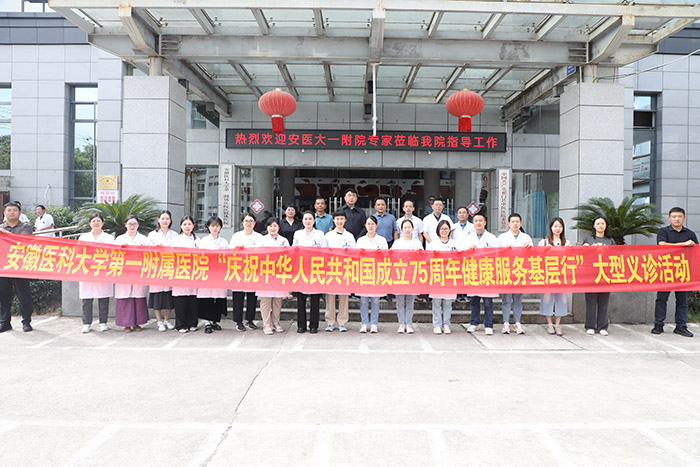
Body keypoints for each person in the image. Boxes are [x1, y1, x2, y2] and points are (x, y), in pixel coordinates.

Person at [652, 207, 698, 338]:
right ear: (669, 218)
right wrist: (683, 244)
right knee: (661, 299)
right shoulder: (663, 231)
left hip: (683, 271)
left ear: (684, 218)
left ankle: (681, 326)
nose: (677, 219)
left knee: (682, 300)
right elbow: (662, 245)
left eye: (679, 216)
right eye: (674, 216)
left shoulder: (690, 234)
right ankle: (658, 324)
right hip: (665, 270)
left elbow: (696, 251)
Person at [0, 202, 34, 333]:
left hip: (20, 267)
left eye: (15, 210)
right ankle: (5, 322)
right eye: (9, 210)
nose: (12, 212)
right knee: (3, 297)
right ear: (4, 213)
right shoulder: (1, 227)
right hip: (3, 267)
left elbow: (23, 241)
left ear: (19, 213)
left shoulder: (26, 227)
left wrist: (4, 233)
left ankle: (26, 322)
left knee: (24, 296)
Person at [114, 216, 152, 333]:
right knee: (125, 298)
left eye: (134, 224)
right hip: (124, 272)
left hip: (138, 271)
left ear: (138, 225)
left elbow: (150, 253)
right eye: (130, 224)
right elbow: (113, 254)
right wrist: (121, 248)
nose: (132, 226)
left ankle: (137, 323)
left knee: (138, 297)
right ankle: (126, 324)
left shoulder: (144, 239)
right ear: (125, 225)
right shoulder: (120, 239)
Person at [78, 213, 114, 333]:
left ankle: (103, 322)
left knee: (103, 298)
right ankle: (86, 323)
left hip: (103, 270)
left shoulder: (109, 238)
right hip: (87, 270)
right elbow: (79, 253)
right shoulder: (83, 237)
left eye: (98, 221)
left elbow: (113, 254)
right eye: (93, 221)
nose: (96, 223)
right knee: (86, 298)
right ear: (90, 224)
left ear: (102, 223)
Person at [464, 212, 499, 335]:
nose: (478, 223)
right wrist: (469, 249)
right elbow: (463, 254)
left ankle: (488, 325)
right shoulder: (468, 238)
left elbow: (496, 254)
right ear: (473, 223)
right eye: (476, 221)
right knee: (474, 300)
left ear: (485, 222)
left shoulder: (491, 237)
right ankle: (474, 323)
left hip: (487, 271)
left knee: (488, 301)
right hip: (473, 271)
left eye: (480, 220)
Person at [497, 213, 533, 335]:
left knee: (518, 299)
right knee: (506, 299)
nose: (515, 224)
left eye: (517, 221)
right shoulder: (502, 237)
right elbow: (496, 254)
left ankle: (517, 322)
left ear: (521, 223)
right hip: (507, 272)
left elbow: (533, 256)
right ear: (509, 223)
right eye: (513, 222)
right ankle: (506, 322)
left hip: (520, 272)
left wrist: (529, 248)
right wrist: (504, 249)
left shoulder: (526, 238)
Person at [293, 211, 328, 333]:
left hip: (315, 269)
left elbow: (324, 251)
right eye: (305, 219)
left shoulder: (319, 234)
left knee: (315, 299)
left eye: (310, 219)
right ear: (302, 221)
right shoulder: (298, 234)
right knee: (301, 299)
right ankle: (301, 325)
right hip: (301, 269)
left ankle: (314, 325)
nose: (307, 221)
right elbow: (294, 250)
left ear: (314, 221)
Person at [581, 216, 615, 336]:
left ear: (606, 226)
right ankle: (590, 326)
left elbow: (616, 256)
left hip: (605, 275)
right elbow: (582, 256)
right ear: (594, 226)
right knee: (590, 302)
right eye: (598, 223)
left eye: (602, 223)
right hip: (591, 275)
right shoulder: (588, 239)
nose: (600, 226)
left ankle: (602, 327)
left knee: (604, 302)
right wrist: (584, 248)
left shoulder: (610, 241)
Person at [230, 213, 264, 332]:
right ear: (242, 222)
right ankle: (238, 321)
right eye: (246, 221)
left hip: (253, 269)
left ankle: (250, 320)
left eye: (251, 221)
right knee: (238, 296)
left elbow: (262, 252)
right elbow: (230, 252)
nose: (248, 223)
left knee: (252, 296)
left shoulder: (259, 237)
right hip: (239, 269)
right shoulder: (236, 236)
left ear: (255, 223)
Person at [538, 217, 571, 336]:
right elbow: (538, 257)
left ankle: (558, 324)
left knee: (561, 300)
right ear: (551, 227)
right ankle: (549, 324)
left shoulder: (567, 243)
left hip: (562, 275)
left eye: (560, 226)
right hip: (548, 275)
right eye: (555, 226)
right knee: (547, 299)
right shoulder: (544, 242)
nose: (557, 229)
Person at [355, 215, 388, 333]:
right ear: (365, 225)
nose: (370, 226)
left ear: (376, 225)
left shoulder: (382, 240)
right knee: (363, 300)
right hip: (364, 273)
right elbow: (355, 256)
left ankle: (374, 323)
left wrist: (380, 254)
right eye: (368, 224)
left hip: (377, 273)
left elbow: (386, 256)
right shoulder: (360, 240)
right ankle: (364, 323)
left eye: (372, 224)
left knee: (375, 300)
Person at [324, 210, 356, 332]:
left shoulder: (350, 236)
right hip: (331, 269)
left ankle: (342, 322)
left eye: (342, 219)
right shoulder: (328, 236)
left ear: (345, 220)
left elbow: (354, 253)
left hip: (345, 269)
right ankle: (330, 322)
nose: (339, 221)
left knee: (344, 297)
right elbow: (323, 252)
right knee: (330, 297)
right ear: (333, 220)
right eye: (337, 219)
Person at [147, 210, 178, 332]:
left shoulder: (174, 235)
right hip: (157, 269)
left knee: (168, 295)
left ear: (170, 221)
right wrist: (156, 248)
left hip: (170, 268)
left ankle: (167, 320)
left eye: (167, 218)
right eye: (163, 218)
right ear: (158, 220)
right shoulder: (152, 235)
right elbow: (147, 251)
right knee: (157, 295)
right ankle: (159, 321)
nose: (165, 221)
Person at [198, 216, 229, 334]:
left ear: (220, 227)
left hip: (220, 273)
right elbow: (201, 256)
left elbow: (229, 256)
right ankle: (207, 322)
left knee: (218, 298)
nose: (215, 228)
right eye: (212, 226)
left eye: (217, 226)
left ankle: (214, 320)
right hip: (207, 273)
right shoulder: (204, 241)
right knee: (207, 298)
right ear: (208, 227)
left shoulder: (224, 242)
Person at [258, 217, 289, 335]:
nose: (272, 228)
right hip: (266, 273)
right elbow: (258, 256)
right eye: (270, 226)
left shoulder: (284, 241)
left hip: (280, 272)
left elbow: (288, 255)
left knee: (278, 299)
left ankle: (276, 322)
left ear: (278, 227)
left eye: (275, 226)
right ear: (267, 228)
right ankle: (266, 324)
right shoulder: (262, 240)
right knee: (265, 299)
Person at [391, 219, 422, 334]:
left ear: (413, 229)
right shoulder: (397, 243)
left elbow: (422, 258)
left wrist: (419, 252)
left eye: (409, 227)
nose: (407, 230)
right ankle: (401, 324)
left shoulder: (417, 243)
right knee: (399, 302)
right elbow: (391, 256)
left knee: (410, 302)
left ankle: (409, 324)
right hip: (399, 276)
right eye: (405, 228)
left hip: (412, 275)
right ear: (401, 229)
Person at [427, 220, 459, 334]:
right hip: (437, 276)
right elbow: (427, 260)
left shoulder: (455, 244)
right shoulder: (433, 244)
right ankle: (436, 324)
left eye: (446, 229)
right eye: (442, 229)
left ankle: (446, 324)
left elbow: (459, 259)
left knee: (448, 303)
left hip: (450, 276)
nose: (444, 231)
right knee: (436, 302)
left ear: (450, 230)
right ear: (438, 231)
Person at [171, 216, 200, 333]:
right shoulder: (176, 240)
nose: (187, 226)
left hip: (194, 273)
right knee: (180, 299)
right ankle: (181, 324)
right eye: (185, 224)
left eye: (189, 224)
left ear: (193, 226)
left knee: (192, 299)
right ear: (181, 226)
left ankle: (192, 323)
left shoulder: (197, 240)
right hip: (180, 272)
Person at [451, 206, 475, 303]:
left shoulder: (472, 227)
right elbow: (451, 239)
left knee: (467, 273)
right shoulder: (453, 227)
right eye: (460, 213)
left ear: (467, 215)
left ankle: (467, 294)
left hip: (468, 252)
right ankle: (458, 294)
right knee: (458, 274)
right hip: (456, 253)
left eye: (464, 213)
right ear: (457, 215)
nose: (462, 215)